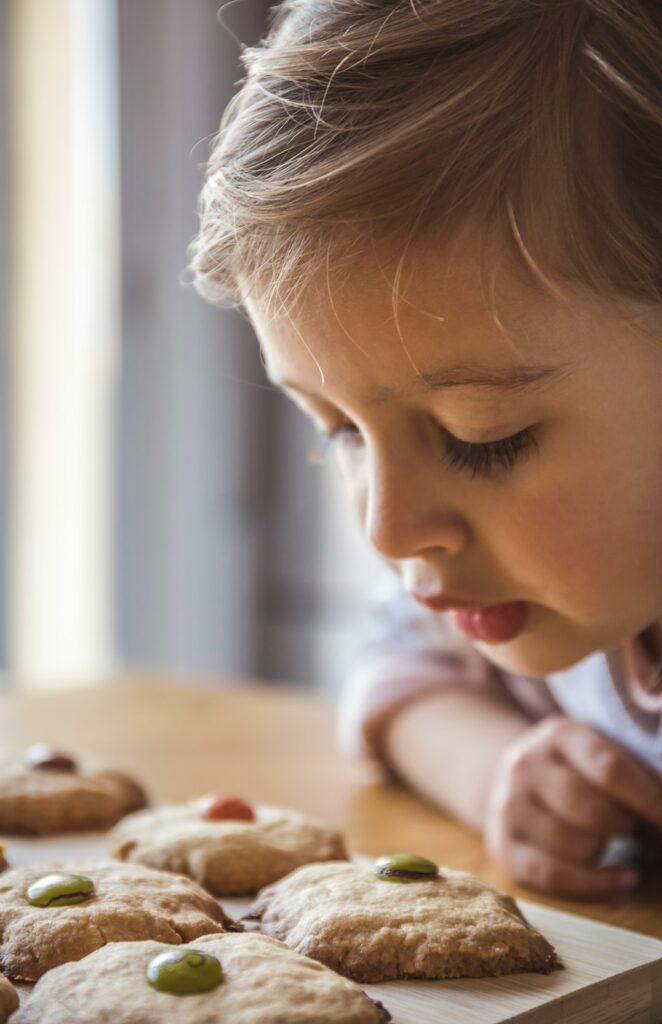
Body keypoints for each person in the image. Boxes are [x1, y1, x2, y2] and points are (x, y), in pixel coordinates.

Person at [189, 0, 662, 898]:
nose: (389, 530)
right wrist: (499, 774)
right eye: (338, 431)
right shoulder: (527, 587)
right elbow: (391, 671)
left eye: (480, 437)